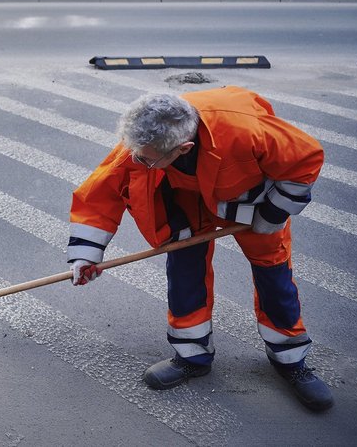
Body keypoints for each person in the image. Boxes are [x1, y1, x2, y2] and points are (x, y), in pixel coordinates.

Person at [68, 86, 333, 411]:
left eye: (146, 159)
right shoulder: (146, 138)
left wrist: (273, 213)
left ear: (183, 148)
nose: (136, 160)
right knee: (184, 271)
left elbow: (305, 159)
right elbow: (102, 191)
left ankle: (290, 359)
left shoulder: (244, 130)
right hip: (187, 199)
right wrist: (86, 254)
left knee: (273, 275)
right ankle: (191, 355)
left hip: (250, 202)